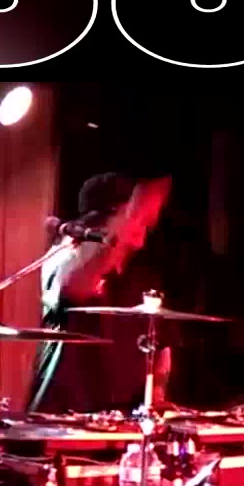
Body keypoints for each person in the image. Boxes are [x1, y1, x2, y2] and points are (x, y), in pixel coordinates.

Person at [26, 172, 172, 414]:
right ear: (102, 219)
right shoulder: (66, 256)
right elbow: (76, 289)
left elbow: (162, 345)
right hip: (65, 416)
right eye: (135, 215)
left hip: (124, 418)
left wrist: (156, 393)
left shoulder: (141, 274)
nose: (145, 225)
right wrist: (130, 220)